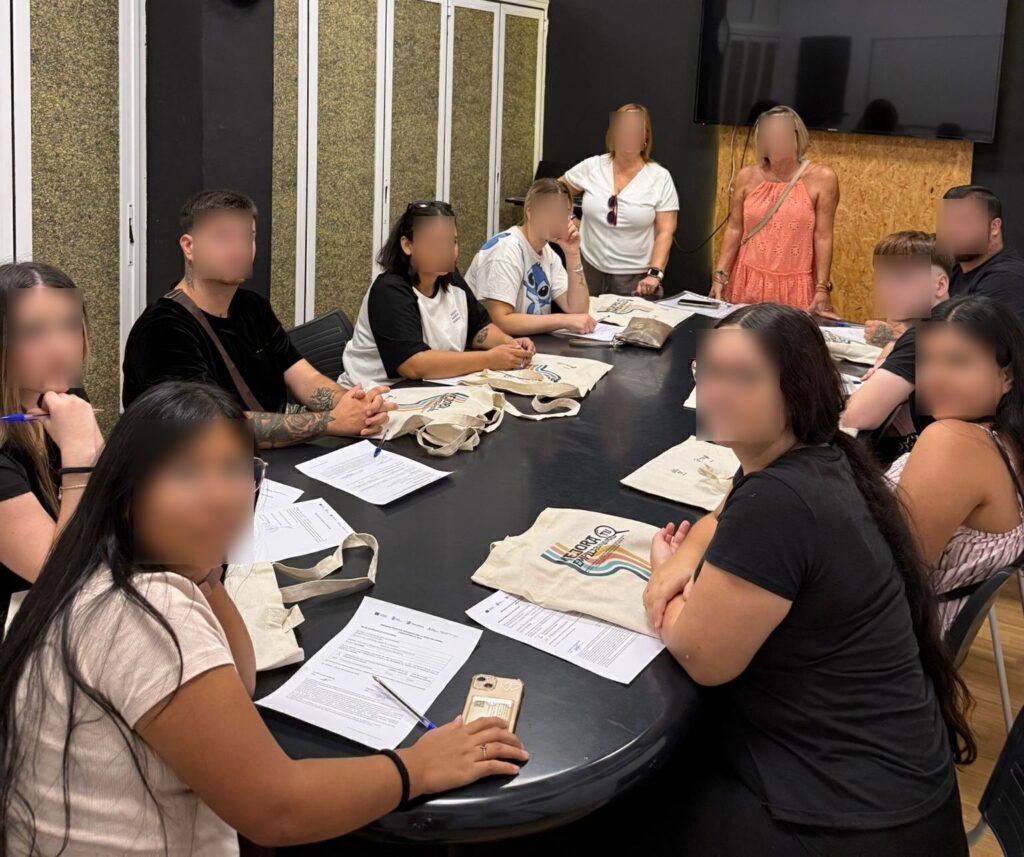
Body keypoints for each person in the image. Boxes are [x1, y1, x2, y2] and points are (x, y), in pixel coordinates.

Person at [0, 380, 529, 855]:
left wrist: (207, 574)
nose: (221, 496)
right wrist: (417, 767)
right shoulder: (146, 611)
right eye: (186, 473)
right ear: (125, 496)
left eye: (235, 470)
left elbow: (239, 679)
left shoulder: (95, 570)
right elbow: (277, 809)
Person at [642, 304, 973, 854]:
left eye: (744, 377)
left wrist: (659, 585)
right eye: (710, 372)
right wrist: (680, 564)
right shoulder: (819, 455)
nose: (716, 393)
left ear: (796, 390)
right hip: (890, 788)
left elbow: (702, 656)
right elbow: (722, 514)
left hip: (845, 820)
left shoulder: (779, 500)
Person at [122, 189, 392, 448]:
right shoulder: (162, 328)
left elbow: (305, 378)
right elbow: (211, 428)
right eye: (222, 237)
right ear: (189, 247)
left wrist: (353, 403)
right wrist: (331, 422)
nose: (238, 249)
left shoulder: (253, 307)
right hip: (193, 466)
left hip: (267, 458)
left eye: (247, 237)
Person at [886, 296, 1024, 630]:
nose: (935, 378)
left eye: (958, 362)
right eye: (927, 360)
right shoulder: (1006, 440)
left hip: (893, 638)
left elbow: (886, 573)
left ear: (1006, 376)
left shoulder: (953, 441)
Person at [0, 262, 103, 628]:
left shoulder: (63, 399)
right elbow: (61, 577)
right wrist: (80, 457)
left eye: (70, 326)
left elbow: (112, 513)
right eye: (32, 332)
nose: (60, 348)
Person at [339, 200, 535, 389]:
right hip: (377, 393)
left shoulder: (450, 278)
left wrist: (510, 345)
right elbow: (413, 364)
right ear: (407, 245)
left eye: (452, 241)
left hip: (432, 388)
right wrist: (489, 359)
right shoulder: (389, 290)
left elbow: (479, 328)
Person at [711, 105, 840, 315]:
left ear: (797, 135)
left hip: (796, 285)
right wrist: (720, 276)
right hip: (748, 280)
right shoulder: (747, 176)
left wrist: (821, 287)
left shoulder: (822, 178)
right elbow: (735, 228)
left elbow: (823, 236)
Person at [841, 232, 953, 459]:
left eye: (903, 280)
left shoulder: (928, 335)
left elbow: (856, 416)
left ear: (940, 285)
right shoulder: (949, 318)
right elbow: (898, 341)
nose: (888, 290)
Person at [559, 103, 679, 298]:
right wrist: (569, 220)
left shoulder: (660, 177)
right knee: (583, 316)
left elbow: (665, 231)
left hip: (634, 278)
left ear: (645, 138)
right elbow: (555, 191)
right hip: (588, 268)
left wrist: (654, 275)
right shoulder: (593, 166)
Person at [464, 178, 596, 336]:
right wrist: (563, 320)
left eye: (565, 213)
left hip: (529, 343)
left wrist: (573, 254)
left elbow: (578, 312)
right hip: (496, 345)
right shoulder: (506, 249)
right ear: (530, 213)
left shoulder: (547, 252)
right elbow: (499, 321)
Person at [938, 185, 1024, 319]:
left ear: (994, 227)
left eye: (963, 222)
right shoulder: (953, 271)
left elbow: (965, 332)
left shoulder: (1007, 278)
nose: (951, 231)